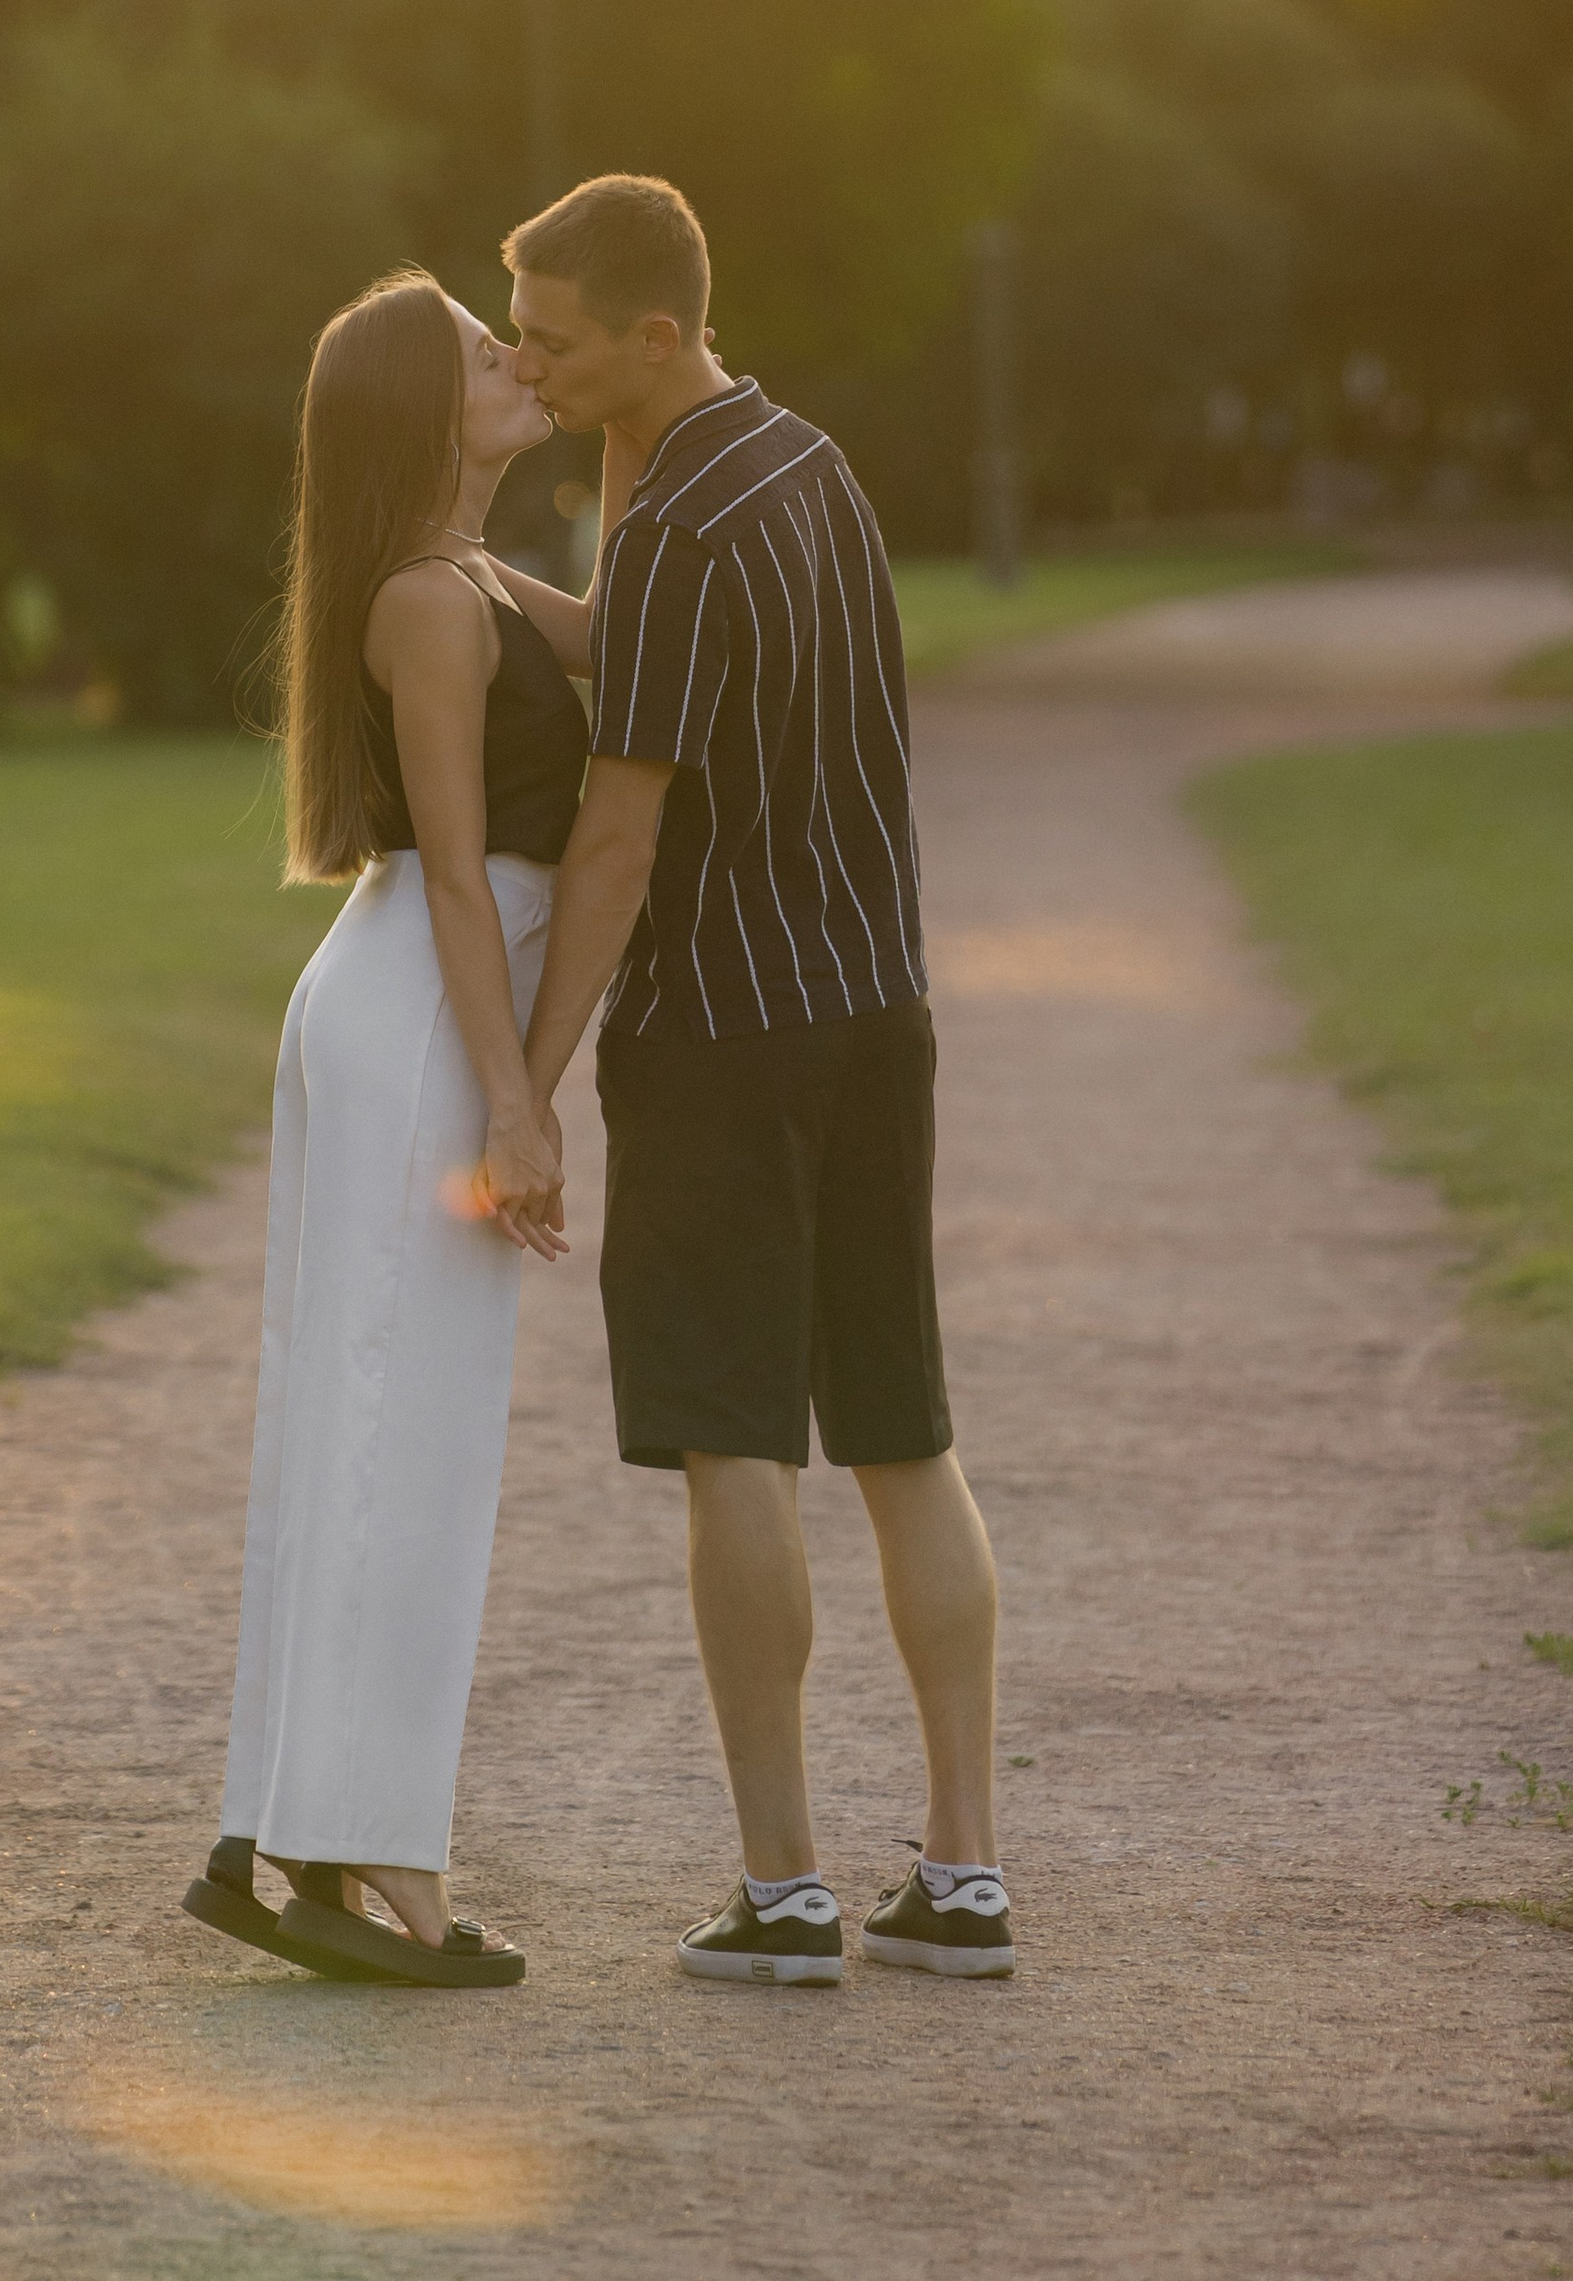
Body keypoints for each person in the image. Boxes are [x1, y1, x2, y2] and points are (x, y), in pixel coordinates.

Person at [498, 173, 1014, 1986]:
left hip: (723, 1037)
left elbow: (618, 838)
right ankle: (964, 1876)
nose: (524, 367)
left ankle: (784, 1891)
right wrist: (517, 568)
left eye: (554, 342)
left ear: (656, 336)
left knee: (735, 1446)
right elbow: (635, 637)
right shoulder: (806, 466)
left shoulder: (676, 535)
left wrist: (528, 1089)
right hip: (875, 1016)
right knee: (903, 1433)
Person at [184, 267, 580, 1991]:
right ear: (422, 409)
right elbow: (461, 877)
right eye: (488, 350)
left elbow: (635, 638)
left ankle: (286, 1823)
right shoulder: (427, 601)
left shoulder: (475, 575)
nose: (519, 358)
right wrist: (517, 1100)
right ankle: (362, 1844)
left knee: (371, 1412)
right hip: (421, 1008)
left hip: (407, 1000)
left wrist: (647, 417)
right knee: (393, 1428)